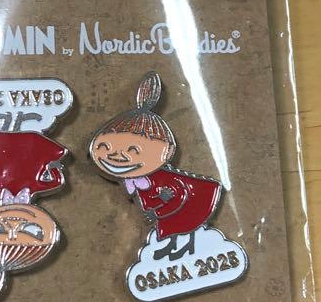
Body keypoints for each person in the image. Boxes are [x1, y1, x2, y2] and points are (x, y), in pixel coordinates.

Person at [88, 72, 223, 259]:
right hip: (167, 210)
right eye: (105, 147)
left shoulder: (161, 178)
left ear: (167, 150)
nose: (116, 156)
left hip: (193, 201)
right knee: (172, 226)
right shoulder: (138, 180)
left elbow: (177, 196)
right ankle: (172, 246)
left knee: (183, 224)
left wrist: (157, 211)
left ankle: (186, 246)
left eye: (134, 150)